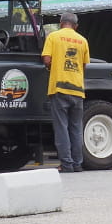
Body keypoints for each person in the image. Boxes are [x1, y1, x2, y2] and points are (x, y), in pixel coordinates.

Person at [41, 12, 90, 172]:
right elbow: (83, 65)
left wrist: (53, 68)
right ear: (75, 26)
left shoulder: (53, 37)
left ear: (61, 23)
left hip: (60, 88)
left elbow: (47, 59)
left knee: (61, 127)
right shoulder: (83, 40)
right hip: (77, 90)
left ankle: (67, 164)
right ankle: (77, 164)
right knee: (76, 128)